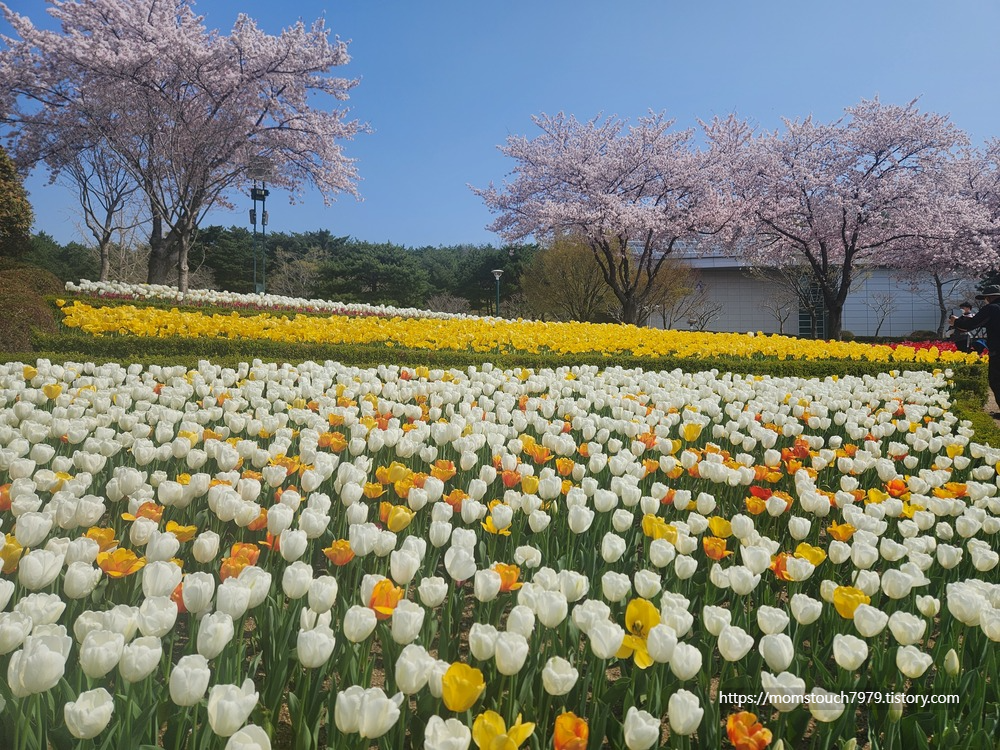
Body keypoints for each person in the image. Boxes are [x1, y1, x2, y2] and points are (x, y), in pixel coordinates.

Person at [953, 285, 1000, 416]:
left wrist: (955, 322)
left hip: (998, 352)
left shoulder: (992, 308)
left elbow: (970, 325)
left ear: (988, 298)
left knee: (996, 381)